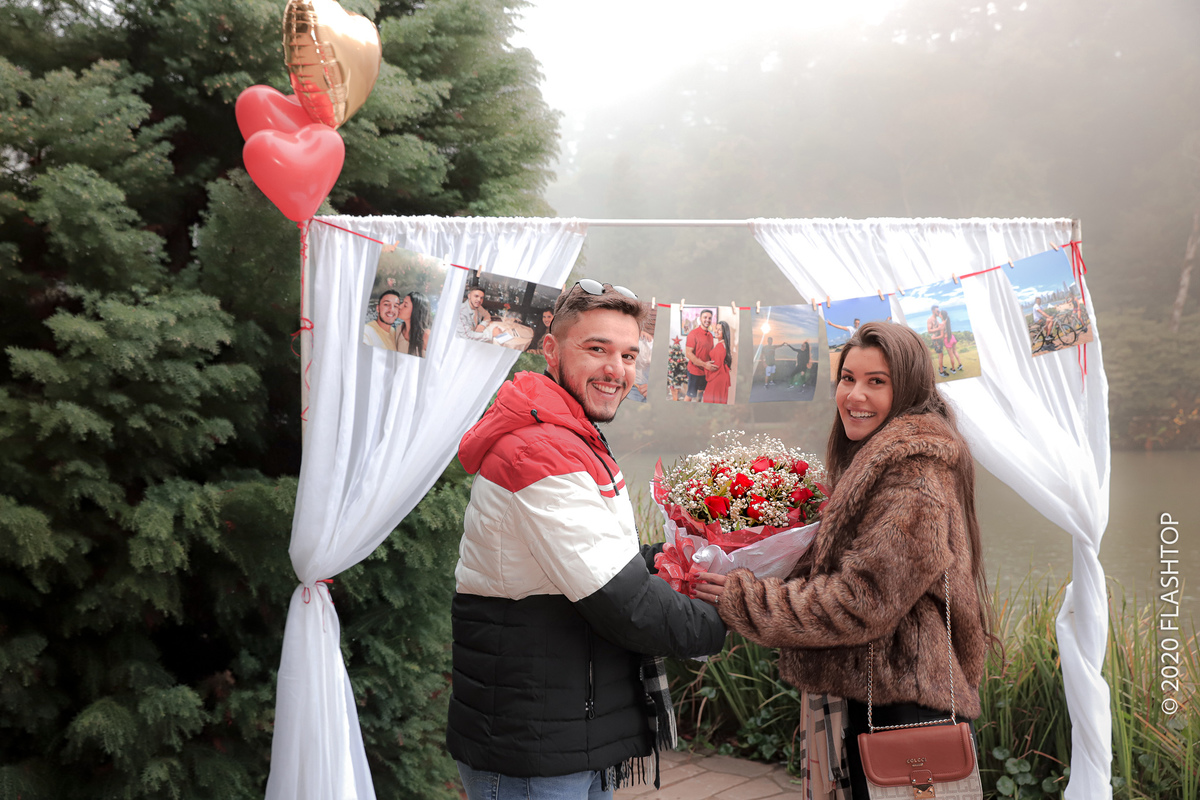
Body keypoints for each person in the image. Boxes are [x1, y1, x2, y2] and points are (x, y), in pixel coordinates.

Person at [448, 280, 726, 800]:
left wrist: (682, 560)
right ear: (550, 350)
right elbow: (621, 601)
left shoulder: (568, 433)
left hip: (565, 733)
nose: (615, 370)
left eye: (627, 354)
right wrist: (728, 616)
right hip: (535, 747)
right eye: (596, 349)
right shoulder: (539, 450)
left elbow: (604, 557)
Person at [695, 321, 996, 800]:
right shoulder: (873, 461)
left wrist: (747, 600)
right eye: (848, 378)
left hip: (900, 710)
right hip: (863, 696)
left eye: (877, 381)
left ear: (908, 389)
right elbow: (841, 570)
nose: (855, 394)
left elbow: (861, 601)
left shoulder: (914, 478)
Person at [683, 309, 716, 401]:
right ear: (700, 319)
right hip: (695, 372)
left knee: (701, 393)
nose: (707, 320)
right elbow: (688, 354)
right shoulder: (693, 334)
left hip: (705, 371)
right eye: (705, 317)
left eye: (709, 318)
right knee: (690, 395)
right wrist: (705, 364)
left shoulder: (710, 335)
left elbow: (710, 352)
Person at [702, 320, 733, 404]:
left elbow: (716, 366)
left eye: (719, 330)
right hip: (722, 377)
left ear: (725, 333)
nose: (716, 331)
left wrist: (705, 366)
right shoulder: (723, 345)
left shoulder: (720, 347)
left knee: (710, 400)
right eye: (716, 329)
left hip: (717, 378)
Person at [395, 290, 432, 357]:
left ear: (416, 311)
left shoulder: (427, 336)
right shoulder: (399, 329)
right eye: (402, 302)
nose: (400, 306)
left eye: (405, 305)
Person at [940, 308, 962, 374]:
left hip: (947, 340)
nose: (939, 315)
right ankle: (960, 364)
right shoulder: (947, 321)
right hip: (952, 337)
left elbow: (942, 335)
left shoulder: (942, 324)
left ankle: (953, 369)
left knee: (951, 356)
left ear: (942, 315)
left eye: (940, 314)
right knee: (955, 351)